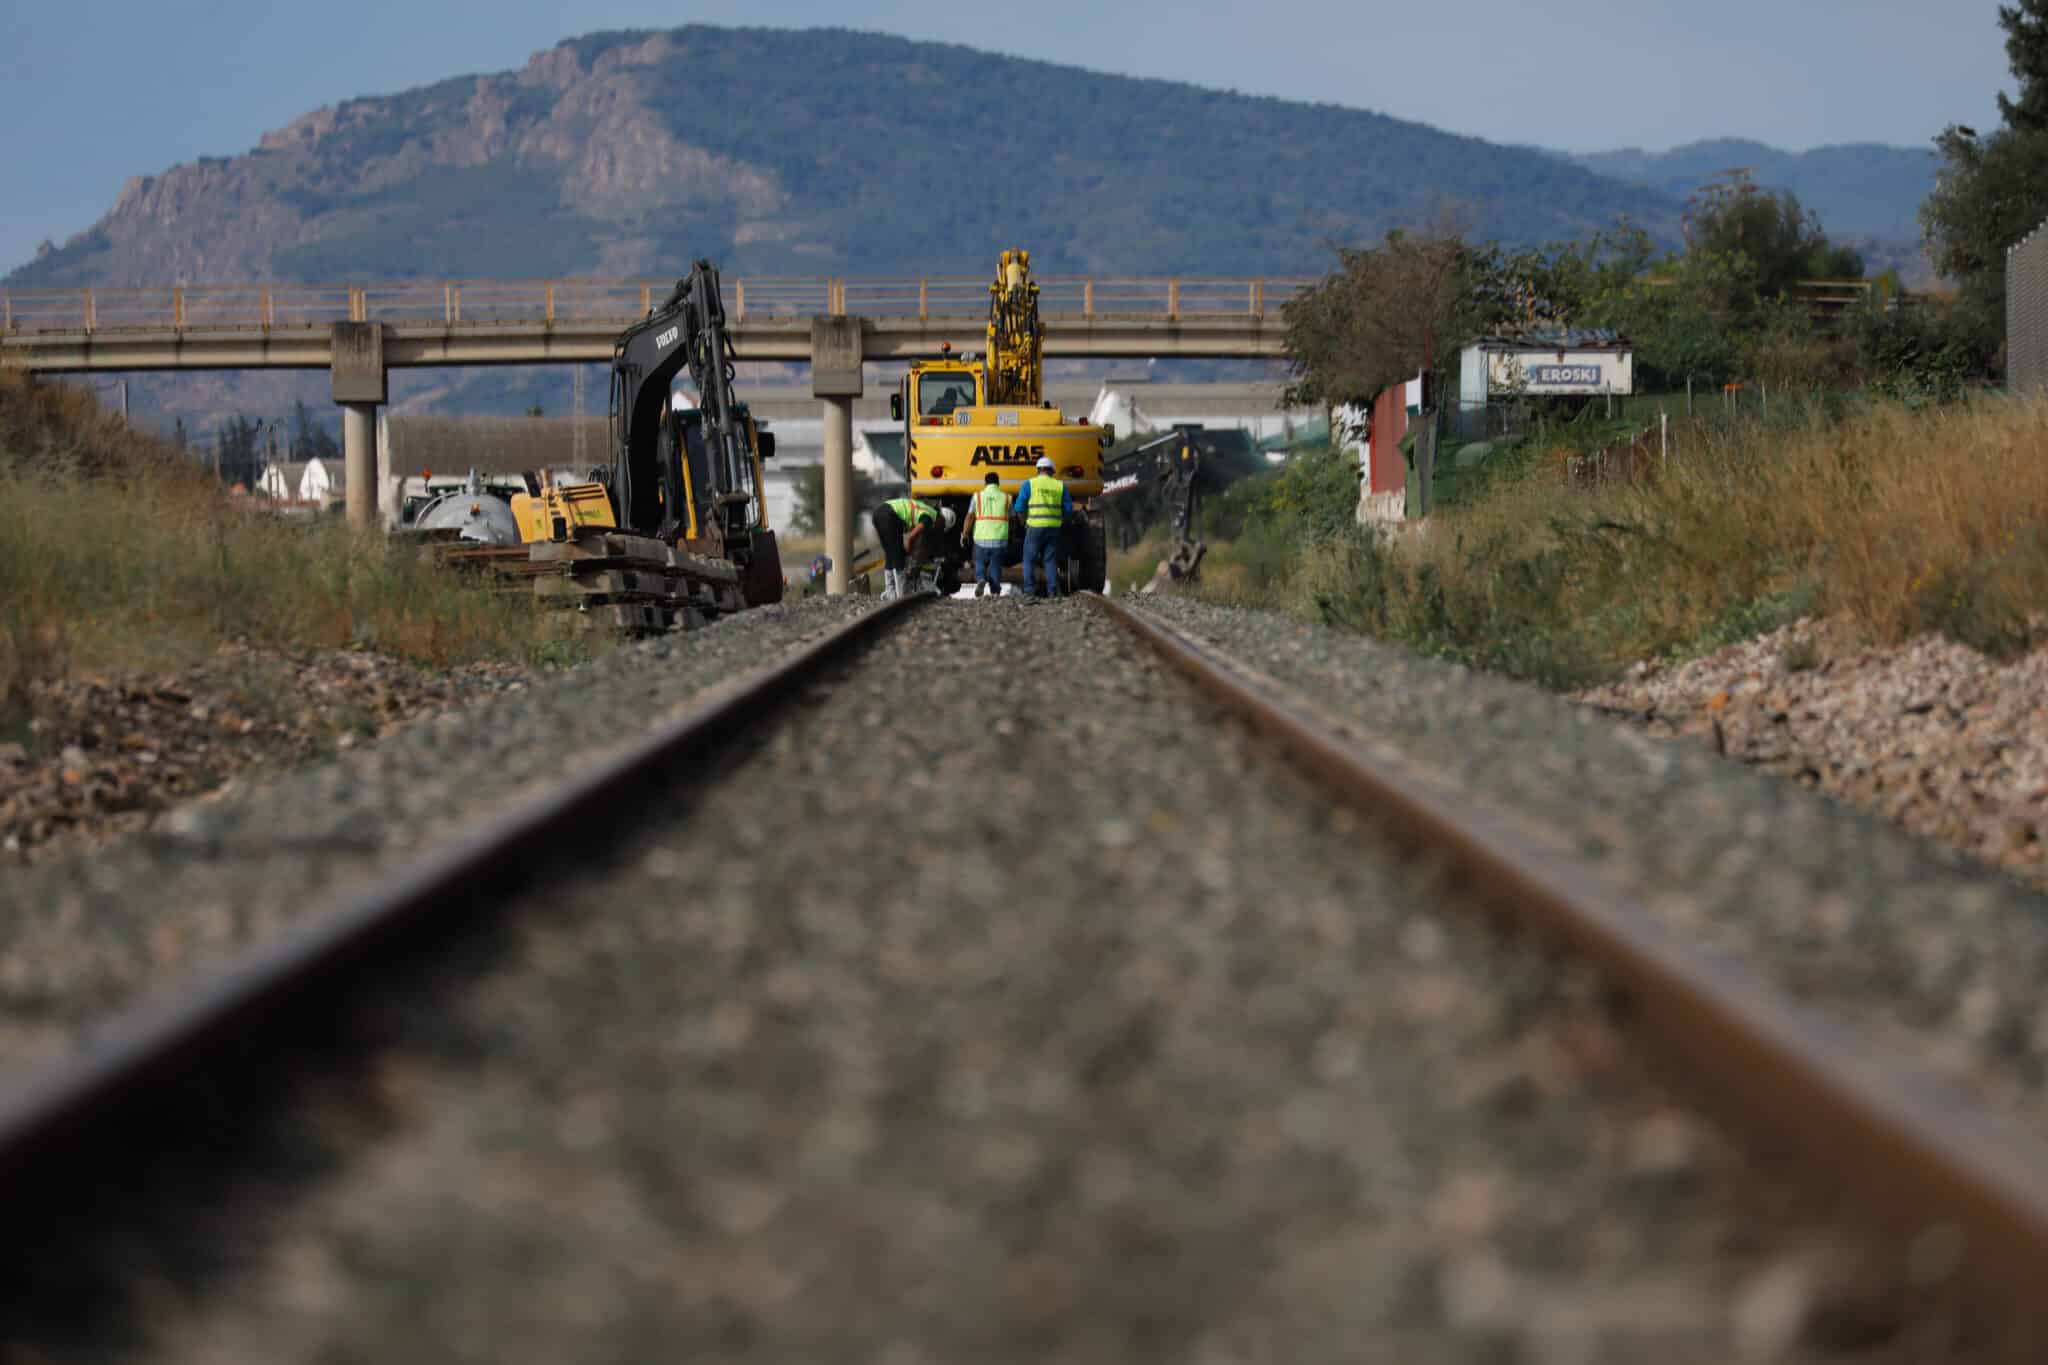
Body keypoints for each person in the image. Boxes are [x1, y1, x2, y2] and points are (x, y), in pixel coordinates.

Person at [1013, 455, 1074, 600]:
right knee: (1050, 560)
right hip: (1053, 528)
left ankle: (1029, 592)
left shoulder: (1030, 484)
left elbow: (1019, 507)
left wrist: (1024, 522)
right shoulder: (1060, 486)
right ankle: (1052, 592)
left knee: (1029, 560)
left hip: (1034, 527)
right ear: (1052, 471)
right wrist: (1060, 520)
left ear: (1038, 470)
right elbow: (1068, 510)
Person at [871, 495, 941, 599]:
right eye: (942, 526)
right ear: (941, 519)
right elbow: (912, 537)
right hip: (890, 515)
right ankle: (902, 595)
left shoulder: (926, 510)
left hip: (878, 513)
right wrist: (907, 551)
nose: (938, 528)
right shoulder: (930, 518)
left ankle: (891, 593)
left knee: (891, 556)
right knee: (898, 558)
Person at [963, 471, 1011, 597]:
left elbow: (969, 516)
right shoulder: (1007, 497)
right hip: (1000, 539)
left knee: (979, 561)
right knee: (995, 566)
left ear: (985, 483)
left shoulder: (977, 496)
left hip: (981, 538)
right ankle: (995, 591)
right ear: (998, 483)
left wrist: (965, 533)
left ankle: (980, 579)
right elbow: (1013, 518)